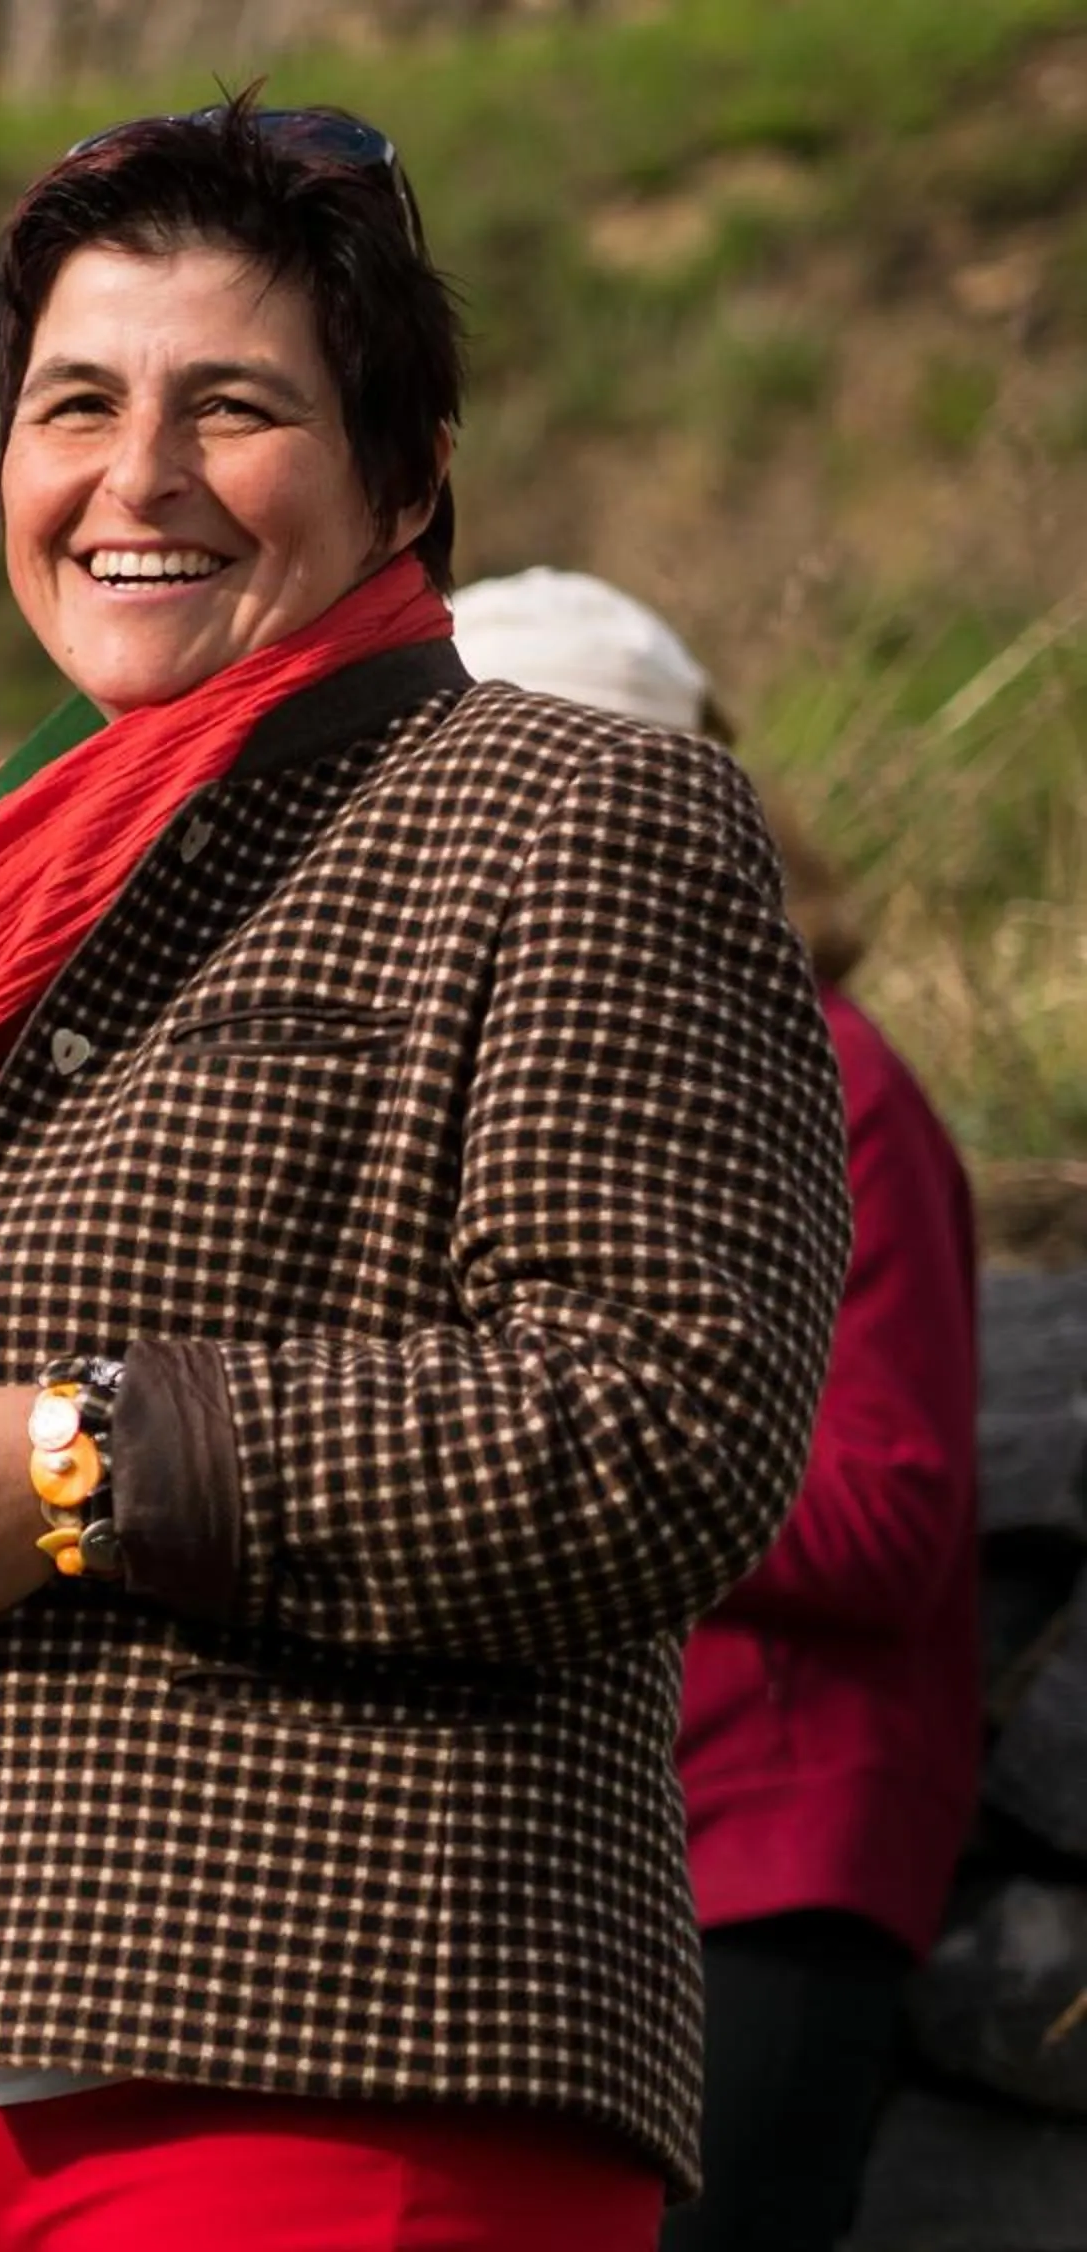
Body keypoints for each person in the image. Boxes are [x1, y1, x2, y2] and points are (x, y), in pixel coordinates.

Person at [0, 97, 853, 2251]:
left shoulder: (567, 814)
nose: (136, 481)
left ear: (403, 475)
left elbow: (664, 1417)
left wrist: (72, 1467)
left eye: (234, 409)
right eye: (76, 406)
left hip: (349, 2066)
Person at [451, 568, 982, 2252]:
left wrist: (553, 1451)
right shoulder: (491, 1084)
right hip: (543, 1853)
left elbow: (890, 1507)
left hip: (763, 1859)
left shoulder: (835, 1075)